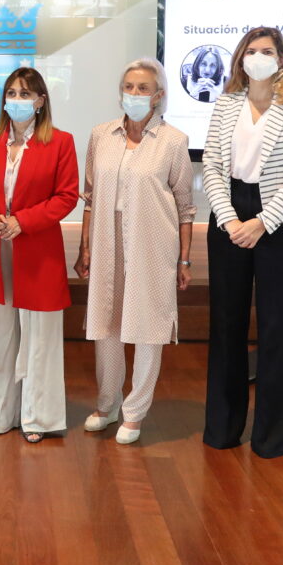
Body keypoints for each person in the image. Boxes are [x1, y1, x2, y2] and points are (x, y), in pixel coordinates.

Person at [201, 26, 283, 459]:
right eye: (250, 51)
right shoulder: (226, 103)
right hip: (229, 215)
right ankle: (223, 429)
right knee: (226, 327)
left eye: (267, 51)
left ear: (282, 59)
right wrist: (230, 219)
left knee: (275, 331)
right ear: (240, 59)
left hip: (279, 222)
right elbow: (211, 165)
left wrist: (262, 223)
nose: (258, 58)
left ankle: (270, 439)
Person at [75, 58, 194, 445]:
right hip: (107, 239)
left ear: (159, 95)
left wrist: (185, 258)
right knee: (106, 323)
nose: (134, 94)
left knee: (148, 326)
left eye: (143, 88)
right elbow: (89, 197)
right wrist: (85, 245)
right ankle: (106, 405)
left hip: (152, 242)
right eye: (129, 86)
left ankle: (135, 412)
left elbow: (185, 206)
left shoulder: (174, 141)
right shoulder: (100, 135)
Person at [0, 68, 78, 442]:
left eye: (25, 94)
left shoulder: (61, 142)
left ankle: (38, 418)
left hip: (38, 252)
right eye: (11, 93)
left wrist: (24, 222)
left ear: (41, 101)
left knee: (39, 339)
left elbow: (66, 196)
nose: (17, 100)